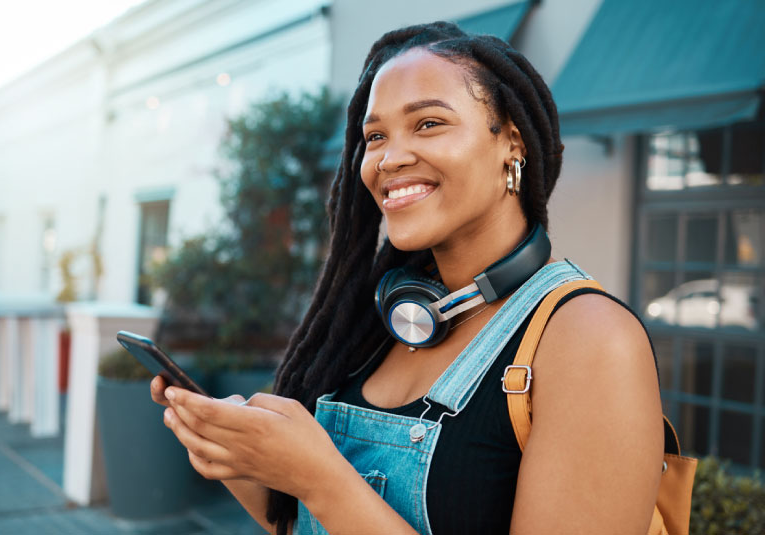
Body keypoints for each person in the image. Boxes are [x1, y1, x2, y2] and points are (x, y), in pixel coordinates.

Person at [151, 21, 663, 535]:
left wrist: (320, 480)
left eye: (428, 124)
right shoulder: (381, 325)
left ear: (512, 141)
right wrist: (245, 459)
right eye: (375, 136)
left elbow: (327, 495)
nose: (390, 158)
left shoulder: (591, 340)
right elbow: (308, 525)